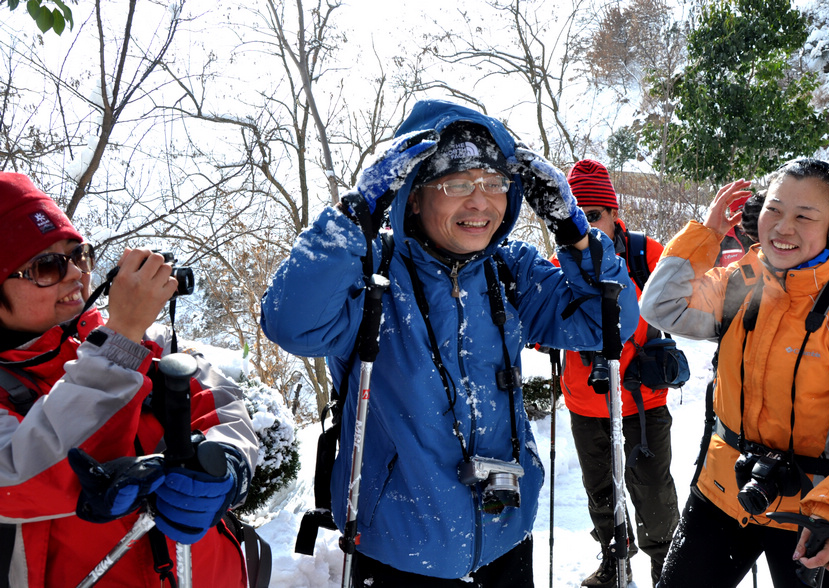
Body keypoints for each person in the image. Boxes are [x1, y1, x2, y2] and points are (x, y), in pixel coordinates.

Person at [261, 99, 639, 586]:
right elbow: (290, 323)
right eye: (458, 184)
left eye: (495, 183)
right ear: (414, 196)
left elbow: (608, 322)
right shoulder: (369, 274)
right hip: (400, 554)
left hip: (507, 538)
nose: (480, 202)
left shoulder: (509, 270)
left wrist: (575, 232)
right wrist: (357, 212)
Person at [0, 172, 259, 587]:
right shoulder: (125, 338)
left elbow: (223, 408)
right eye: (45, 265)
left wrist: (227, 463)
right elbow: (19, 479)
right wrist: (119, 342)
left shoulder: (146, 342)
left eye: (78, 254)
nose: (73, 275)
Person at [640, 159, 829, 588]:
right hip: (722, 491)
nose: (783, 227)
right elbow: (661, 307)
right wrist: (707, 234)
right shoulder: (743, 279)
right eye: (773, 209)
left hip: (817, 514)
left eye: (805, 216)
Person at [550, 159, 678, 587]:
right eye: (574, 215)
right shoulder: (556, 263)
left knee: (654, 492)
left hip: (643, 400)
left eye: (593, 214)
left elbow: (687, 299)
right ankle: (613, 560)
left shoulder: (647, 253)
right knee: (601, 493)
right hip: (586, 401)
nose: (585, 225)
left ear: (614, 212)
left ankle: (667, 567)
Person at [715, 193, 755, 267]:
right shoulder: (722, 238)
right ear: (733, 214)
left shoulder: (761, 234)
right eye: (742, 211)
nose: (747, 215)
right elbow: (712, 272)